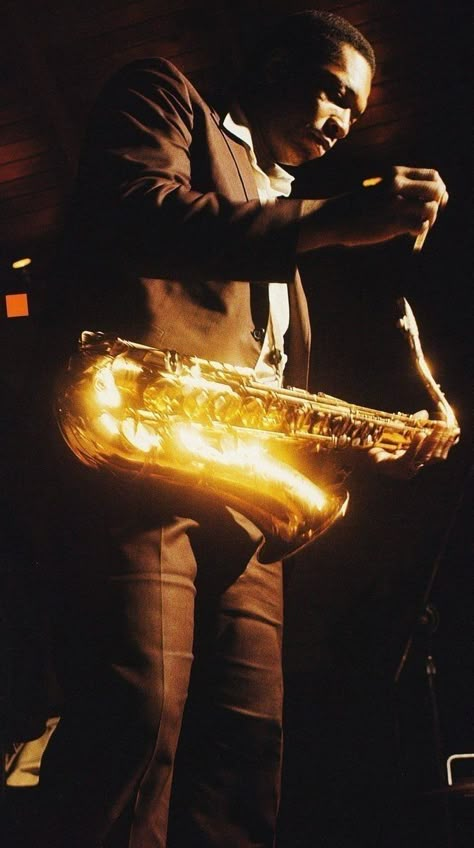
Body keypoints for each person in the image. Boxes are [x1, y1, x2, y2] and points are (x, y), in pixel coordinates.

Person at [34, 10, 456, 848]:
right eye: (332, 90)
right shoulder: (167, 95)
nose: (340, 120)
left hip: (246, 500)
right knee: (137, 723)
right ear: (267, 64)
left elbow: (262, 383)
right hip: (148, 470)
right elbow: (131, 208)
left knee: (244, 753)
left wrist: (367, 441)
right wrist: (330, 222)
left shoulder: (284, 200)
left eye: (356, 112)